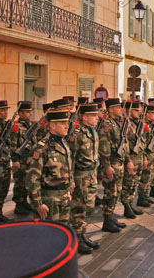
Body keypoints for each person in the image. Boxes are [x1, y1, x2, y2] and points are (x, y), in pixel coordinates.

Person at [26, 109, 74, 224]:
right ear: (52, 125)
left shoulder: (63, 143)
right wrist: (37, 203)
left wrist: (70, 184)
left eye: (67, 123)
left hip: (64, 199)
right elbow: (32, 179)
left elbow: (67, 165)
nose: (67, 126)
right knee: (48, 236)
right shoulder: (42, 148)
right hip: (49, 202)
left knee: (63, 234)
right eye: (63, 123)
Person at [69, 103, 101, 254]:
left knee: (89, 206)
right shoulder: (78, 134)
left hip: (91, 174)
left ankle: (83, 233)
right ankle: (76, 237)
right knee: (79, 207)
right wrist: (71, 180)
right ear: (85, 117)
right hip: (81, 175)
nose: (97, 118)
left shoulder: (93, 131)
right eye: (94, 116)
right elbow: (71, 158)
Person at [99, 98, 133, 233]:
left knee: (117, 192)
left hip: (119, 162)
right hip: (112, 162)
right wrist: (107, 166)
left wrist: (127, 159)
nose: (120, 109)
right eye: (118, 107)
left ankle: (111, 216)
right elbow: (104, 146)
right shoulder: (106, 125)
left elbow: (125, 143)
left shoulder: (118, 123)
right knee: (110, 192)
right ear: (111, 109)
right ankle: (106, 220)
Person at [10, 101, 35, 215]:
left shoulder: (30, 125)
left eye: (30, 112)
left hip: (29, 159)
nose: (30, 114)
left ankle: (24, 202)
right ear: (20, 113)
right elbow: (13, 144)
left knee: (26, 182)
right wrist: (14, 160)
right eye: (27, 112)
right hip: (21, 159)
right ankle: (19, 204)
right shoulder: (16, 127)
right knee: (20, 182)